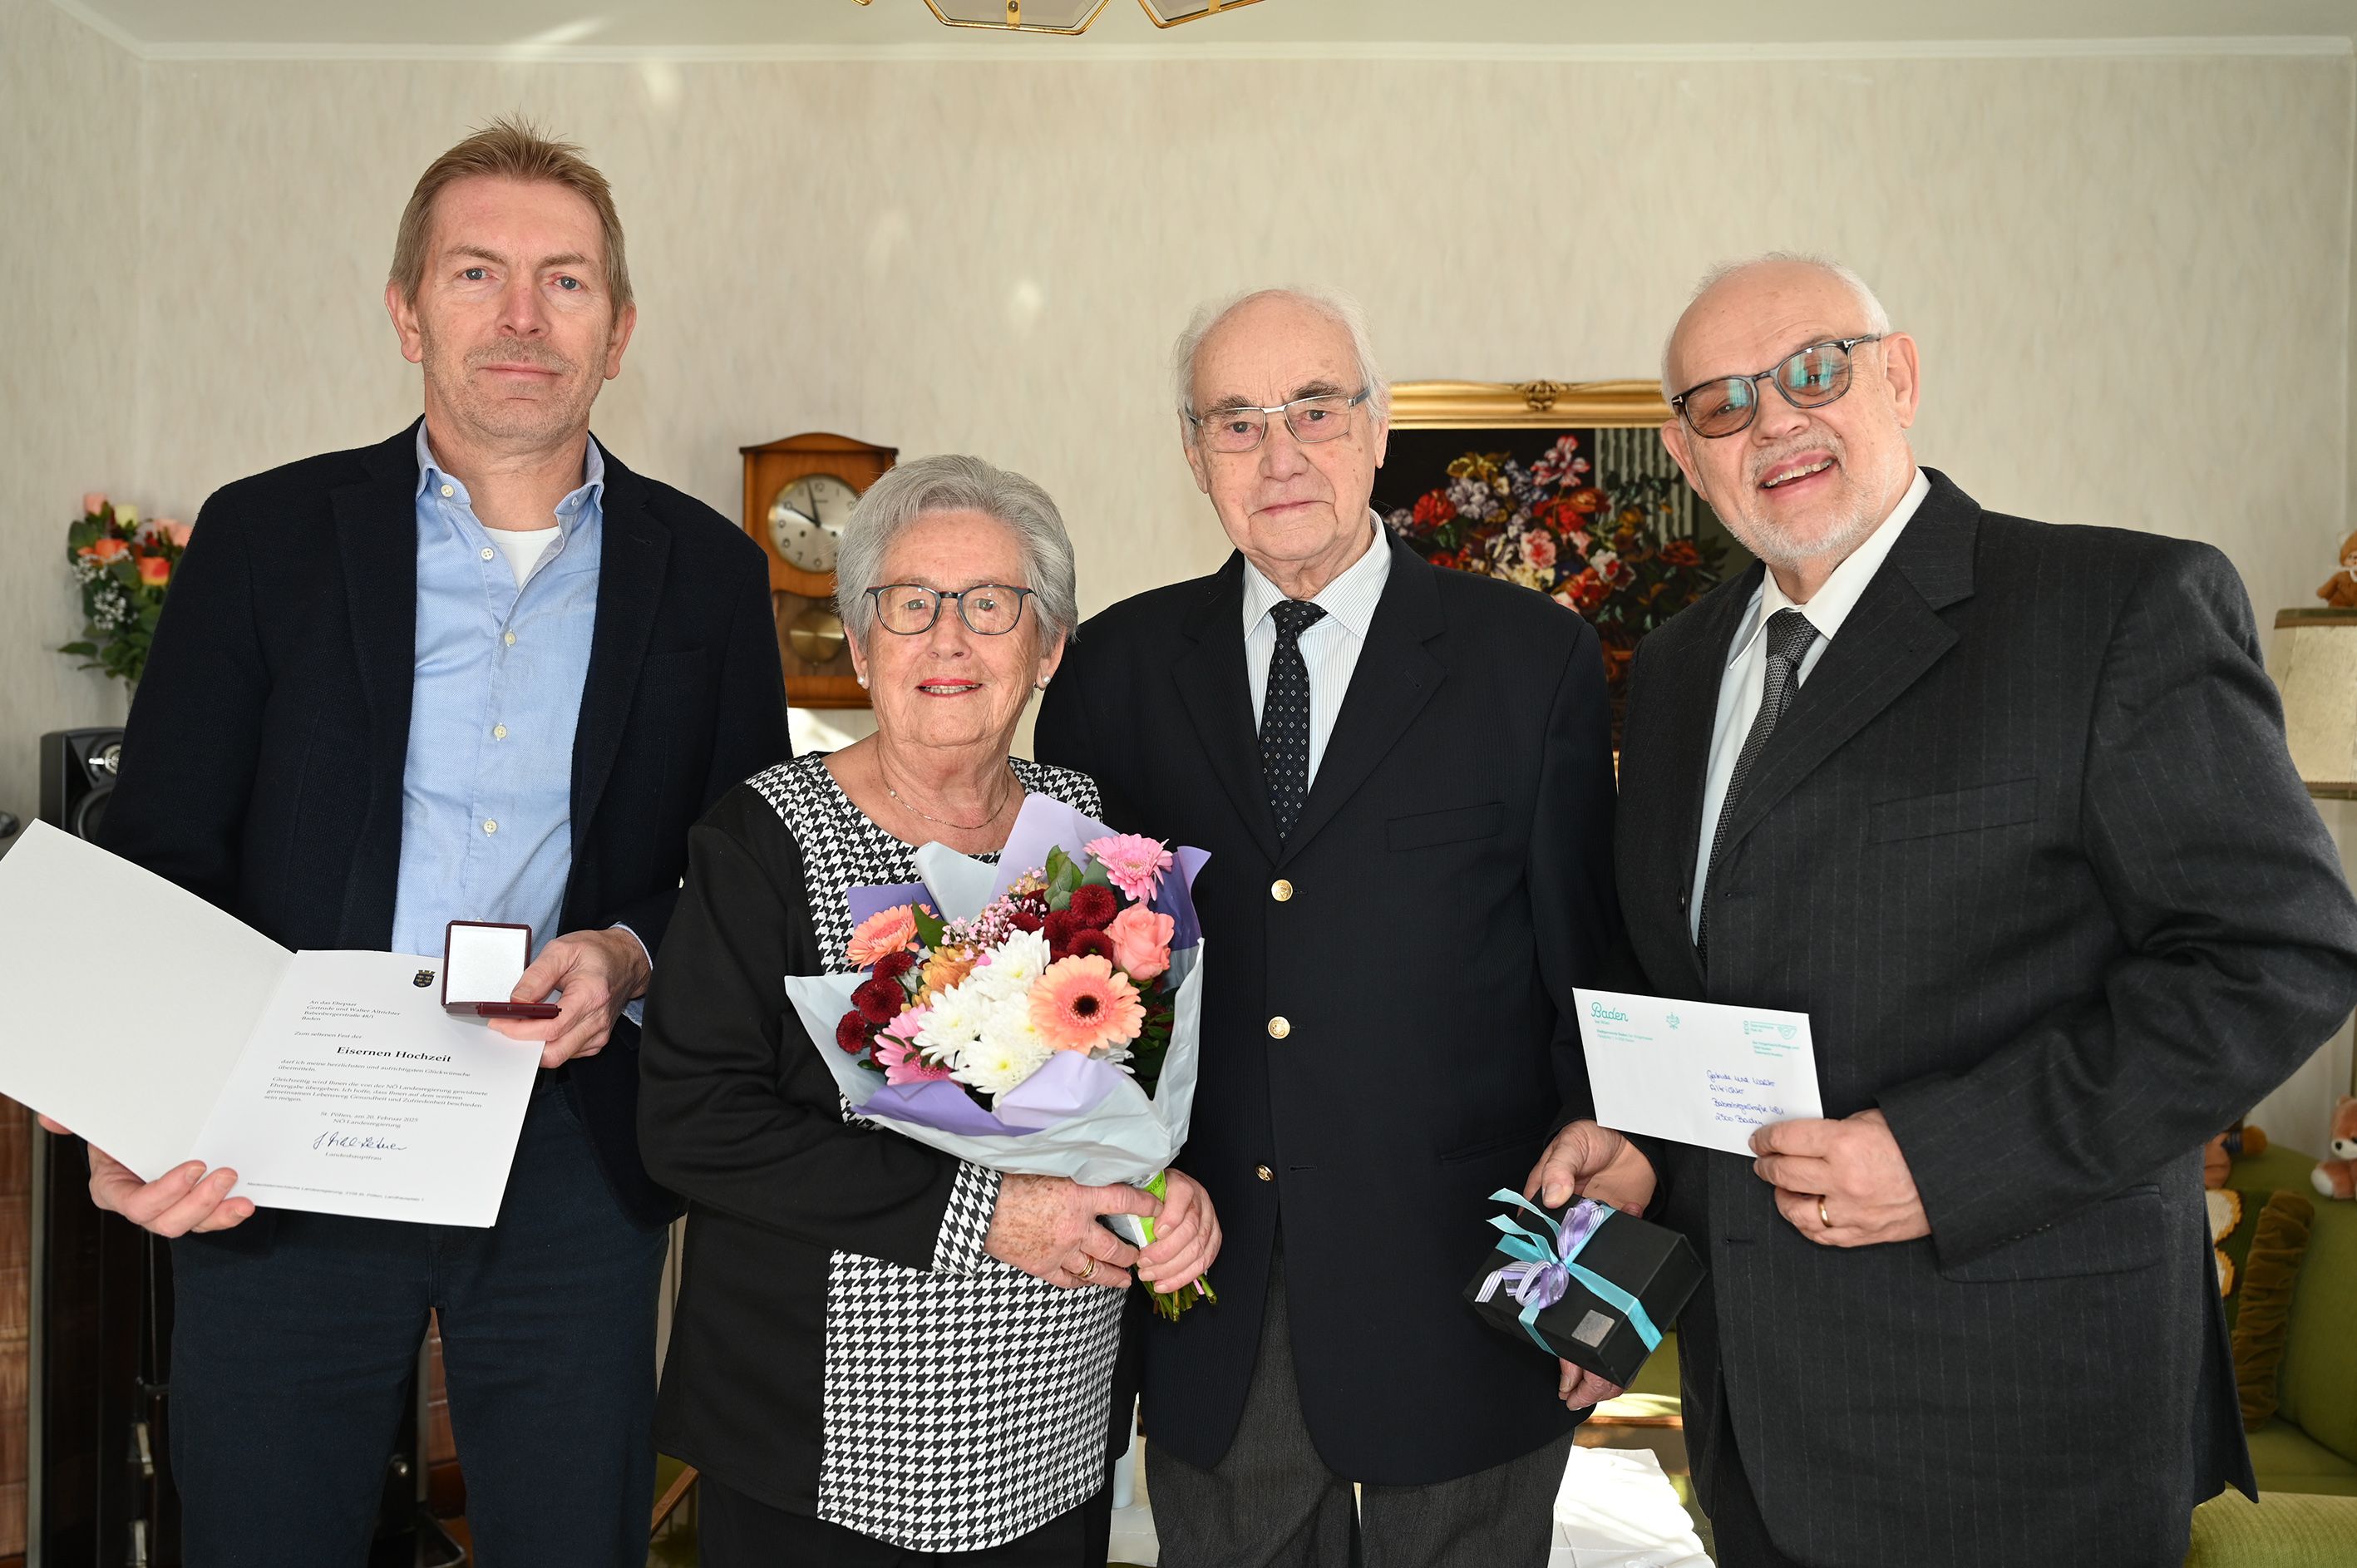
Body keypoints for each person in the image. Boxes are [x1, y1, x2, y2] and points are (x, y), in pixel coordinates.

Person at [1533, 253, 2357, 1567]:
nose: (1775, 420)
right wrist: (1645, 1153)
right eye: (1723, 402)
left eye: (1814, 371)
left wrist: (1944, 1158)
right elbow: (1710, 989)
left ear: (1900, 377)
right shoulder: (1679, 668)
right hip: (1753, 1435)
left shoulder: (2114, 609)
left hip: (2019, 1433)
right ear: (1686, 455)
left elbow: (2278, 956)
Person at [63, 118, 791, 1565]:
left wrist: (628, 952)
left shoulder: (712, 573)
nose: (523, 316)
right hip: (287, 1136)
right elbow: (159, 850)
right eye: (476, 273)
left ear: (618, 329)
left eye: (565, 281)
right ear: (407, 312)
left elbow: (747, 867)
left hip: (573, 1144)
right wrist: (122, 1109)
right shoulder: (262, 537)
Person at [1034, 288, 1623, 1568]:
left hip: (1473, 1297)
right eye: (1237, 421)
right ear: (1195, 453)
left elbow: (1591, 991)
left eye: (1314, 409)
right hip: (1215, 1297)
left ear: (1378, 426)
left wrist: (1599, 1284)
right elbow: (1074, 1007)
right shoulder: (1113, 673)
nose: (1280, 452)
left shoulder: (1531, 662)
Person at [637, 453, 1222, 1566]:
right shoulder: (762, 837)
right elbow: (692, 1124)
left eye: (991, 604)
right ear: (863, 645)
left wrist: (1162, 1189)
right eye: (910, 603)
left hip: (1051, 1424)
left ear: (1047, 648)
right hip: (821, 1449)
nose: (949, 638)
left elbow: (1132, 1079)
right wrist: (984, 1213)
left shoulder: (1098, 834)